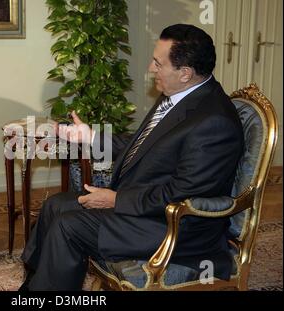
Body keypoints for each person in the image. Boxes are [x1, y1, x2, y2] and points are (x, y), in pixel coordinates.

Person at [19, 24, 244, 291]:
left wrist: (116, 199)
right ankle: (34, 287)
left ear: (185, 73)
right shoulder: (179, 95)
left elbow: (183, 192)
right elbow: (144, 145)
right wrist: (90, 137)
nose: (151, 68)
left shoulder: (213, 121)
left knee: (69, 226)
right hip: (146, 207)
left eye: (158, 64)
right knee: (54, 206)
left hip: (175, 227)